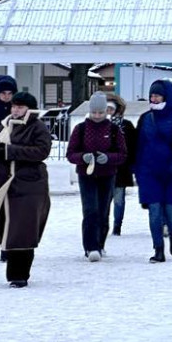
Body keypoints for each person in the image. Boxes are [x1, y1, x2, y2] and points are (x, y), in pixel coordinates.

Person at [0, 92, 53, 287]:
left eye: (20, 107)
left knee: (22, 231)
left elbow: (42, 151)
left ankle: (19, 275)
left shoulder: (38, 127)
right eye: (14, 107)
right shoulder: (5, 125)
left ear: (29, 108)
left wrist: (8, 151)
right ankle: (13, 271)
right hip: (5, 185)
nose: (15, 110)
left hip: (29, 185)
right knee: (7, 228)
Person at [135, 80, 172, 263]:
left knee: (171, 211)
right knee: (154, 211)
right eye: (152, 95)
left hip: (171, 173)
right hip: (149, 172)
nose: (154, 98)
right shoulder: (145, 119)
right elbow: (139, 145)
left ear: (166, 97)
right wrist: (137, 168)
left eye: (157, 95)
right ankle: (158, 248)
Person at [66, 92, 127, 261]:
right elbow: (71, 154)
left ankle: (100, 243)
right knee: (90, 210)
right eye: (94, 112)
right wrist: (82, 157)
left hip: (107, 175)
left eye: (101, 112)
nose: (97, 116)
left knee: (103, 210)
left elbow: (122, 155)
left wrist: (108, 158)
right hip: (86, 175)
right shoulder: (81, 129)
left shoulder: (114, 130)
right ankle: (90, 247)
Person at [105, 95, 139, 237]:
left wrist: (133, 165)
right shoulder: (99, 125)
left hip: (122, 168)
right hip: (104, 168)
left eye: (110, 109)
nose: (108, 112)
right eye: (106, 108)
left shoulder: (127, 126)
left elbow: (133, 147)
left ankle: (117, 226)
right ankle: (103, 225)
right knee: (104, 200)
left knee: (119, 199)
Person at [0, 74, 16, 263]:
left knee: (12, 208)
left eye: (10, 93)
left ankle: (7, 247)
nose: (7, 96)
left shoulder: (16, 110)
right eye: (3, 93)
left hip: (14, 163)